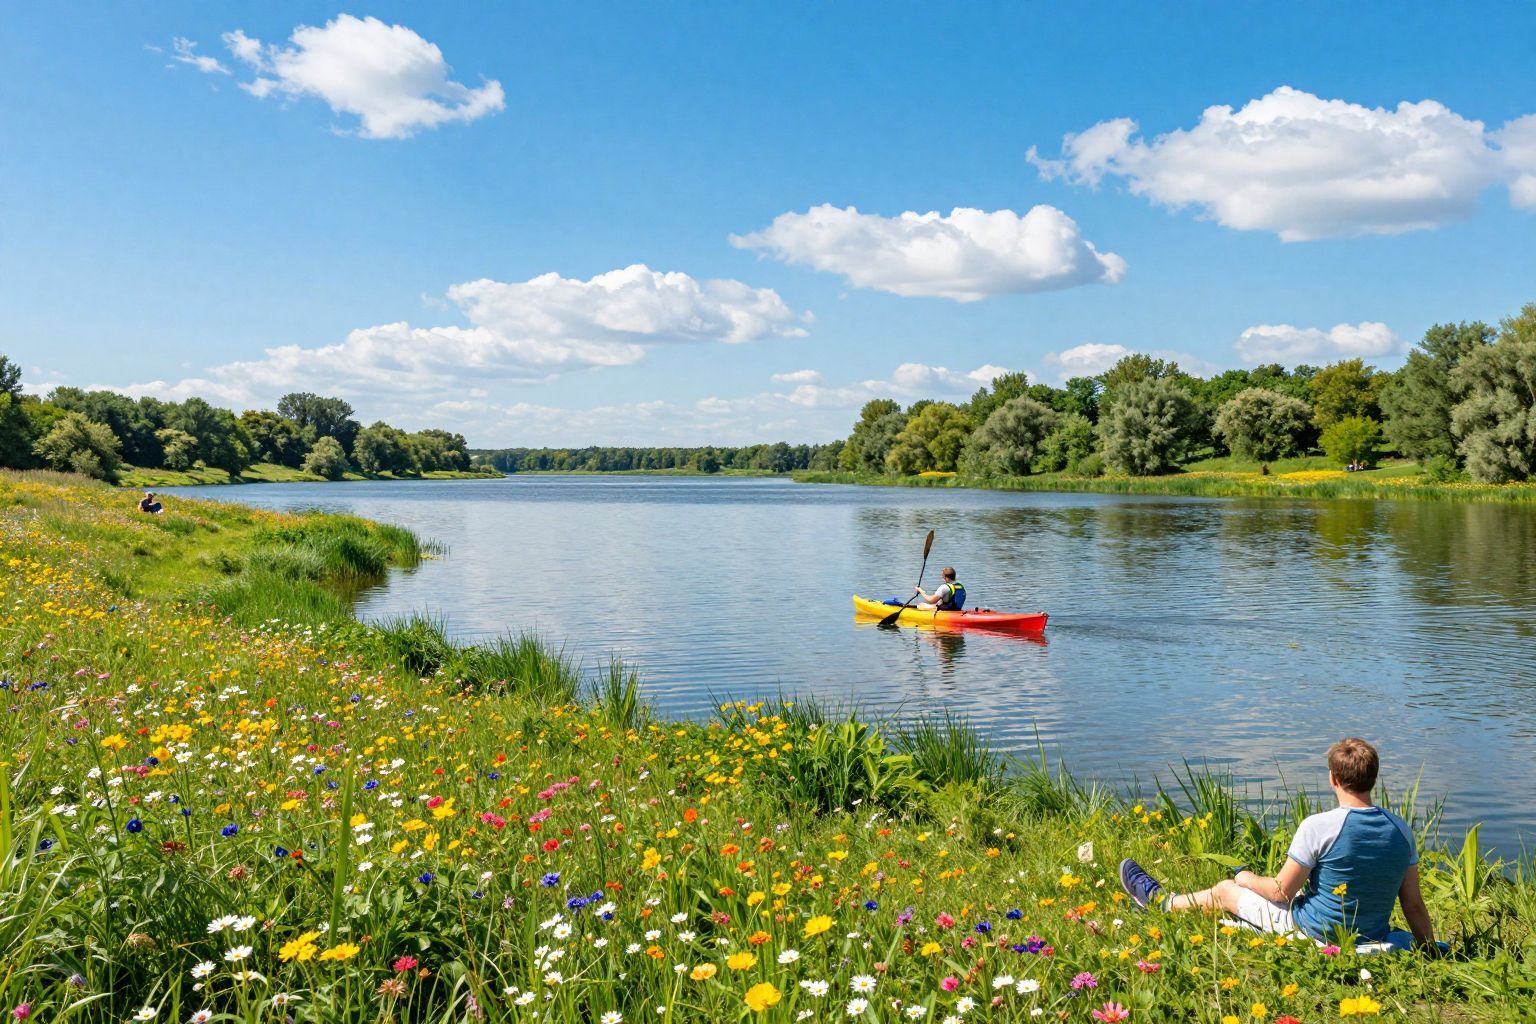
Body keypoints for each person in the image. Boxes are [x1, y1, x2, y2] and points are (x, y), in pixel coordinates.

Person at [1118, 737, 1435, 949]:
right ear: (1373, 778)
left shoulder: (1318, 826)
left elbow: (1278, 891)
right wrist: (1428, 949)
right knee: (1298, 892)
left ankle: (1162, 903)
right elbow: (1413, 904)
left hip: (1317, 932)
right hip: (1371, 933)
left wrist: (1245, 878)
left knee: (1226, 890)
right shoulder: (1401, 830)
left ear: (1333, 779)